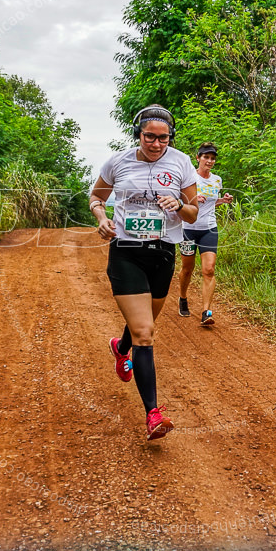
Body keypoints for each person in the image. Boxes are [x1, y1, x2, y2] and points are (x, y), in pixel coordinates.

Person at [88, 104, 198, 440]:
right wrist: (102, 218)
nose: (156, 143)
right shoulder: (118, 161)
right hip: (125, 252)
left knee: (143, 325)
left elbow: (193, 213)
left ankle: (120, 349)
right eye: (149, 136)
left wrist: (178, 204)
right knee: (146, 334)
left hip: (163, 253)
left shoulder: (181, 163)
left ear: (170, 138)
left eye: (163, 138)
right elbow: (96, 196)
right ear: (138, 133)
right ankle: (153, 414)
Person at [177, 142, 233, 325]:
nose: (209, 161)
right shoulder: (189, 177)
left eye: (212, 158)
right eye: (206, 157)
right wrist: (192, 198)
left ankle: (206, 311)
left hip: (209, 228)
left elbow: (210, 203)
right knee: (187, 268)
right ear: (198, 158)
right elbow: (177, 200)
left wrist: (222, 201)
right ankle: (183, 298)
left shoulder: (217, 180)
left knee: (209, 269)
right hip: (188, 228)